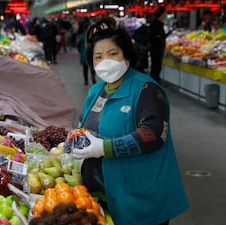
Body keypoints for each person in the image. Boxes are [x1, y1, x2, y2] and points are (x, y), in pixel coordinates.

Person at [69, 19, 189, 225]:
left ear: (127, 54)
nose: (105, 61)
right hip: (105, 196)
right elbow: (85, 125)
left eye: (112, 54)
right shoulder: (96, 91)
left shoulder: (145, 90)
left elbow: (154, 132)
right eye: (98, 57)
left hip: (140, 199)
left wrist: (104, 148)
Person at [150, 6, 172, 83]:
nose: (166, 15)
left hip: (157, 48)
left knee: (157, 66)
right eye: (165, 13)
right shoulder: (156, 24)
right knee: (156, 66)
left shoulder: (158, 23)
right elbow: (157, 37)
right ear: (161, 14)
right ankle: (154, 82)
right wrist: (167, 34)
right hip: (156, 49)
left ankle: (155, 81)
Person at [77, 21, 95, 85]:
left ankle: (86, 80)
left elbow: (78, 45)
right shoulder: (93, 36)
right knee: (92, 67)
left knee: (85, 68)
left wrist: (81, 52)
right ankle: (93, 79)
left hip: (84, 54)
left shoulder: (81, 36)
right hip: (92, 54)